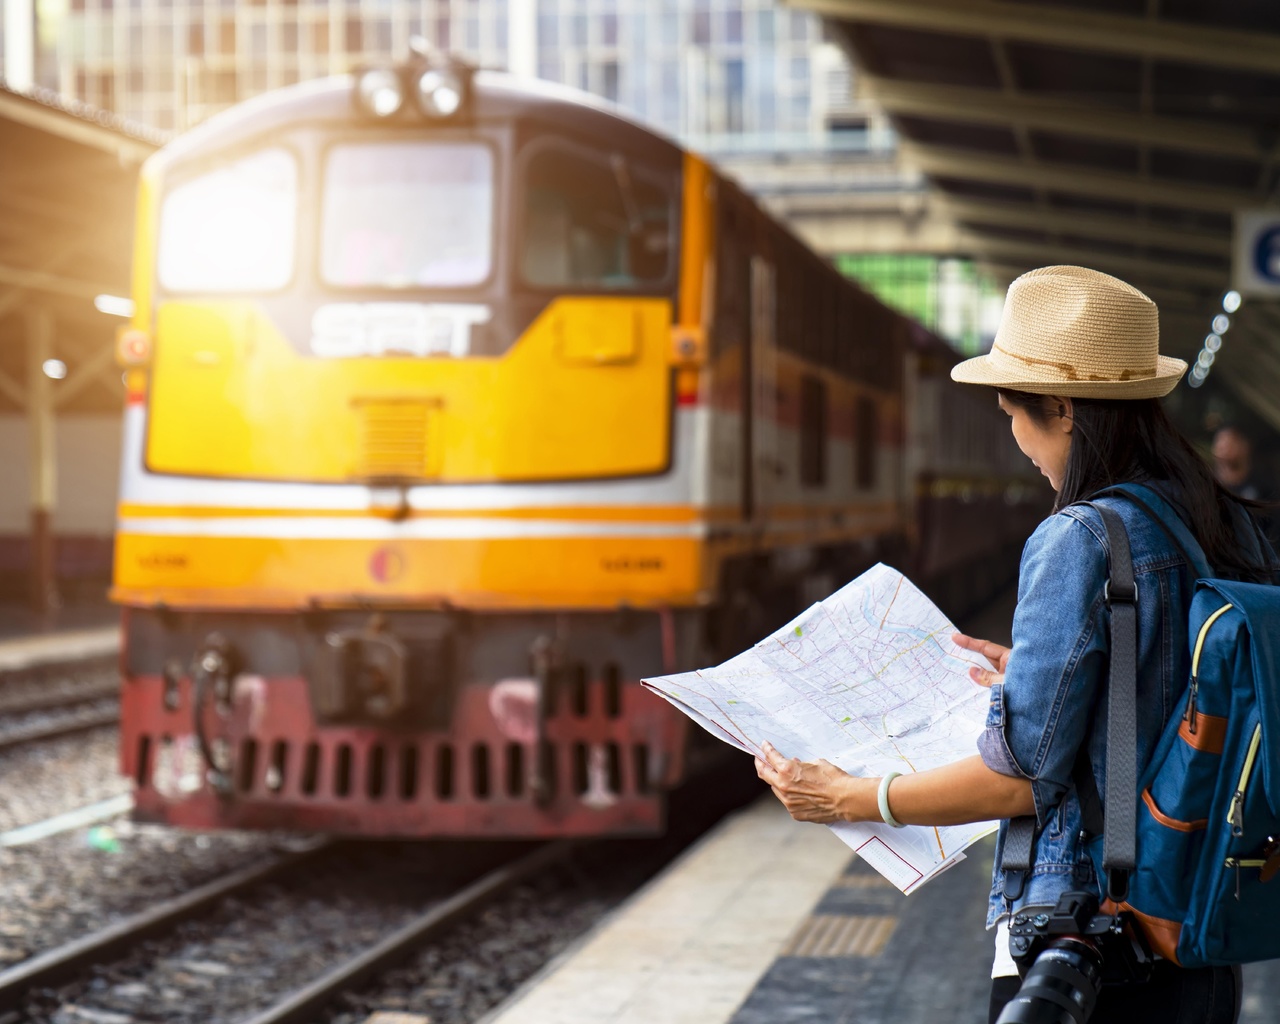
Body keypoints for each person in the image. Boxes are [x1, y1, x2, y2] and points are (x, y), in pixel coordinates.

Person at [755, 266, 1272, 1024]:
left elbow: (1022, 776)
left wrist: (850, 797)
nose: (1015, 438)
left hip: (1093, 942)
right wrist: (1039, 672)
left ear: (1061, 408)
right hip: (1195, 931)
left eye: (1012, 414)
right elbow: (1175, 682)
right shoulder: (1215, 522)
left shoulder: (1079, 537)